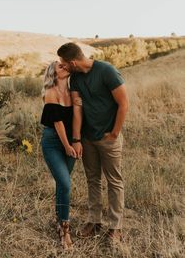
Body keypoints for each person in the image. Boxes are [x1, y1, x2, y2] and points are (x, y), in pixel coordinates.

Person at [57, 42, 129, 242]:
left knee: (114, 181)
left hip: (108, 137)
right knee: (92, 179)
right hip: (87, 139)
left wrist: (114, 133)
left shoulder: (106, 71)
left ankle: (116, 227)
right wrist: (77, 139)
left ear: (72, 62)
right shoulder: (76, 79)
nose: (62, 67)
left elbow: (124, 103)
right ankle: (94, 221)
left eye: (64, 64)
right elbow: (77, 109)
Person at [40, 60, 81, 249]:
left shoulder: (73, 92)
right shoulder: (51, 92)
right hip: (53, 142)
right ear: (53, 73)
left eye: (65, 65)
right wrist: (67, 146)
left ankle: (58, 220)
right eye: (59, 66)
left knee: (62, 184)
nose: (64, 66)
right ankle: (65, 229)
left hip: (71, 141)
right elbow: (57, 123)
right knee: (65, 183)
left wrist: (76, 140)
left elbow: (77, 117)